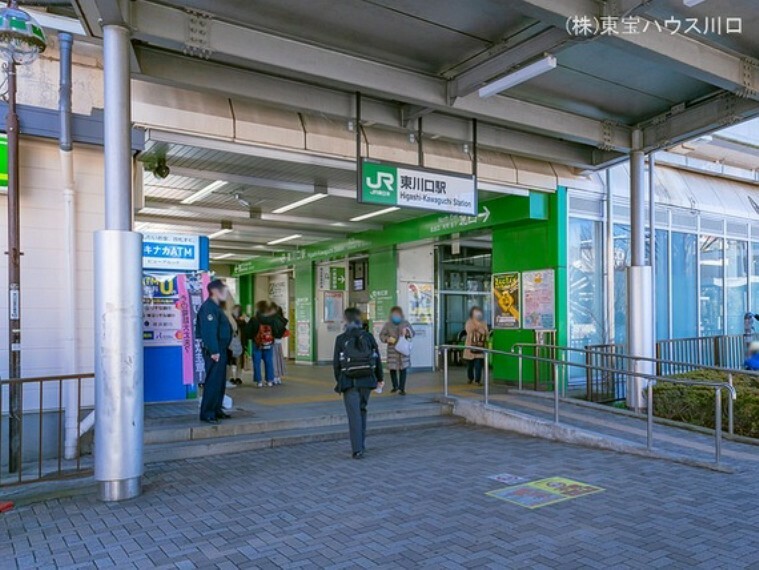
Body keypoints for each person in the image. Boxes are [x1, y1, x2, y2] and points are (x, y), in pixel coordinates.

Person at [333, 307, 383, 459]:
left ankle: (357, 449)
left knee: (353, 415)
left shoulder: (341, 339)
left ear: (346, 321)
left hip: (349, 382)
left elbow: (336, 364)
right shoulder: (367, 336)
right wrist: (379, 378)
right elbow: (377, 359)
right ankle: (361, 444)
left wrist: (340, 380)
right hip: (367, 380)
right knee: (362, 410)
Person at [196, 279, 233, 424]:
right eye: (224, 290)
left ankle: (217, 408)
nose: (226, 293)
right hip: (215, 350)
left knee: (220, 382)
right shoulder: (208, 308)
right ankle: (207, 413)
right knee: (213, 381)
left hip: (221, 349)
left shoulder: (217, 307)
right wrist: (214, 350)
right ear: (216, 292)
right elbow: (209, 332)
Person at [379, 306, 415, 395]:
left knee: (403, 370)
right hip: (392, 351)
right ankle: (395, 386)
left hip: (403, 351)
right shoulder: (388, 325)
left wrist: (407, 333)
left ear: (401, 314)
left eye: (397, 314)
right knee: (393, 369)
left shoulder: (405, 323)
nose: (396, 316)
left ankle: (402, 388)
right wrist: (387, 339)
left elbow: (412, 333)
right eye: (394, 314)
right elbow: (382, 335)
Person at [245, 300, 276, 387]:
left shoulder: (254, 319)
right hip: (268, 343)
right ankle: (269, 380)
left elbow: (248, 332)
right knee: (269, 361)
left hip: (257, 343)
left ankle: (259, 381)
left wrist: (252, 337)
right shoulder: (272, 318)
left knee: (257, 362)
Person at [464, 306, 489, 385]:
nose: (478, 314)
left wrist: (478, 328)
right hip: (470, 346)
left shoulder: (483, 322)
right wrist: (479, 329)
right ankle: (470, 378)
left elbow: (486, 332)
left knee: (478, 365)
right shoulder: (469, 322)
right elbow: (469, 330)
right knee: (470, 365)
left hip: (480, 346)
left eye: (479, 312)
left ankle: (477, 380)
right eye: (476, 312)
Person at [271, 303, 289, 385]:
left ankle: (274, 376)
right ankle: (278, 377)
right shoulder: (283, 321)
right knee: (279, 359)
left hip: (273, 341)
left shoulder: (274, 320)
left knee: (274, 359)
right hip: (279, 342)